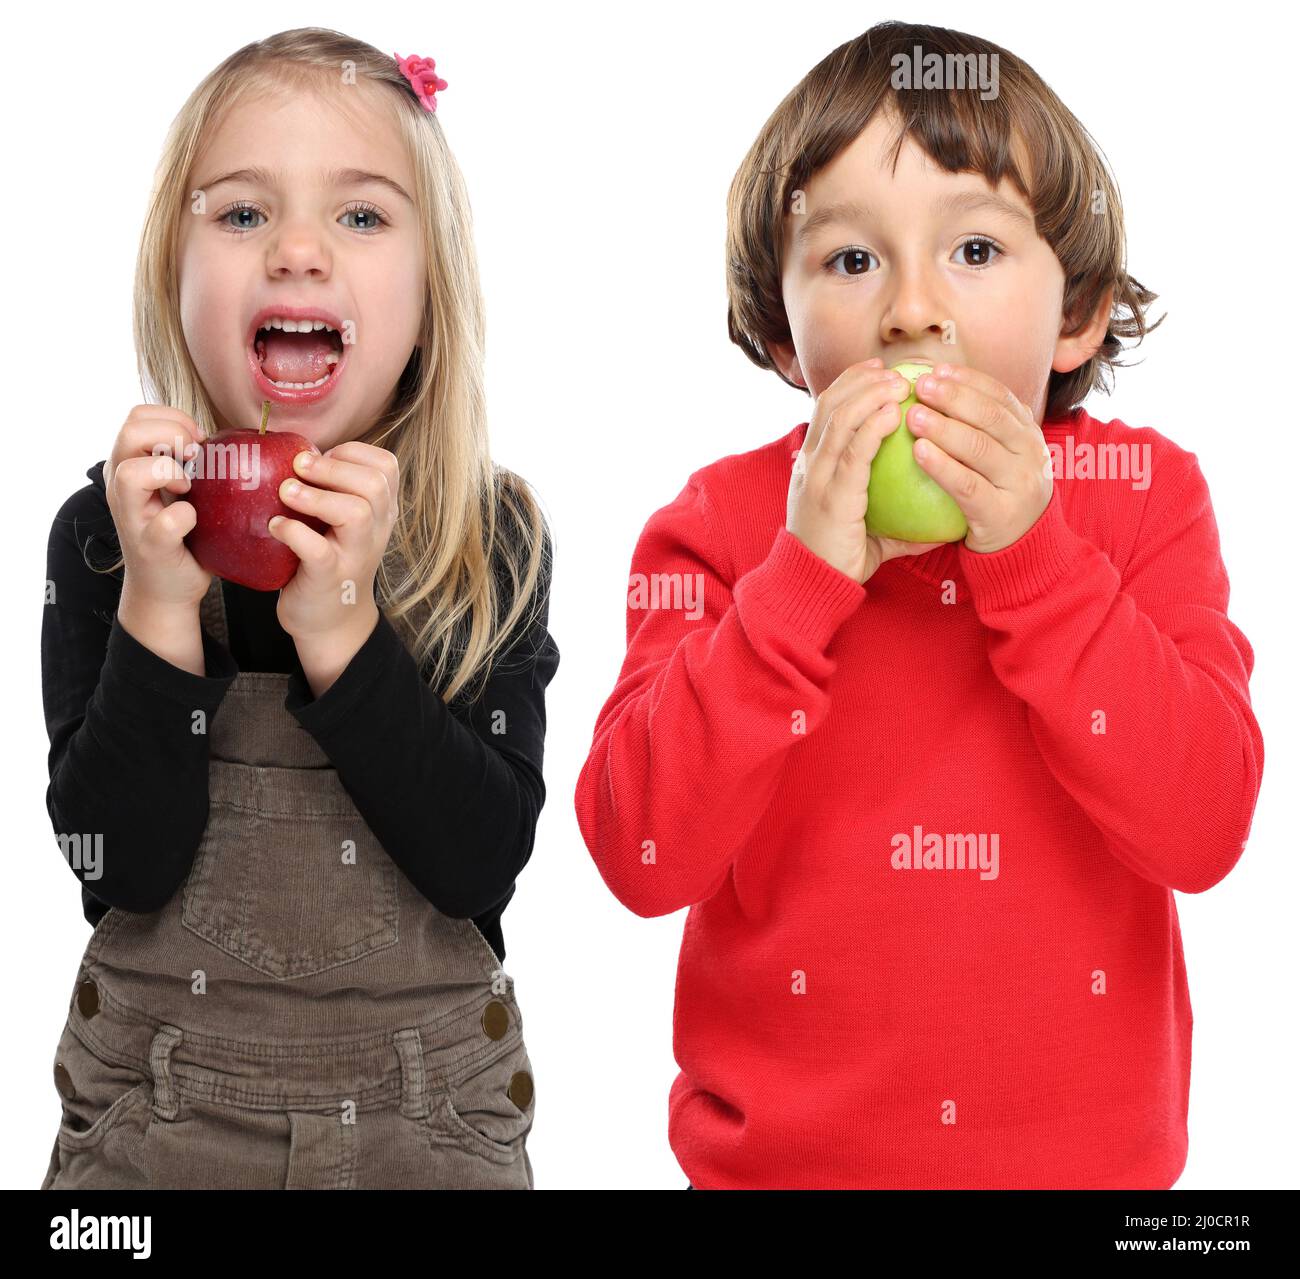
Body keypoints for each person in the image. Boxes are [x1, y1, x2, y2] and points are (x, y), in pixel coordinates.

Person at [574, 21, 1264, 1190]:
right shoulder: (723, 528)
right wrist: (801, 584)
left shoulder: (1141, 500)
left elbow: (1202, 828)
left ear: (1077, 317)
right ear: (782, 337)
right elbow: (641, 852)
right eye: (849, 261)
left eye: (976, 249)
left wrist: (1036, 562)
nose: (910, 310)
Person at [41, 27, 558, 1190]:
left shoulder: (487, 539)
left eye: (362, 216)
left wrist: (343, 631)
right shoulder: (106, 533)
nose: (297, 251)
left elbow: (479, 865)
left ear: (430, 295)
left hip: (434, 1123)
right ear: (172, 281)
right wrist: (161, 611)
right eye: (239, 214)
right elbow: (112, 864)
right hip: (154, 1122)